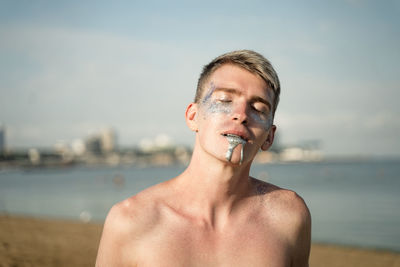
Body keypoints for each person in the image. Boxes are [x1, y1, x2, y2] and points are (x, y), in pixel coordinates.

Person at [96, 50, 311, 267]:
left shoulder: (289, 216)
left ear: (270, 136)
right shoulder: (131, 221)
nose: (242, 115)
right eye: (225, 100)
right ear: (192, 116)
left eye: (258, 108)